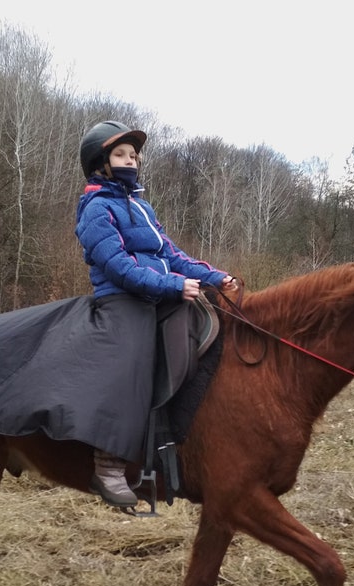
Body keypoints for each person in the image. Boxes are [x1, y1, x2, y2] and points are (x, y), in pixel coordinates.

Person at [75, 120, 236, 508]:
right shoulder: (96, 208)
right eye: (121, 154)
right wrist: (173, 286)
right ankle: (108, 462)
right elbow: (118, 266)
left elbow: (171, 256)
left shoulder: (141, 206)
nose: (132, 160)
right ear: (101, 163)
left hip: (158, 296)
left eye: (134, 154)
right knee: (134, 360)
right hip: (122, 300)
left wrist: (217, 277)